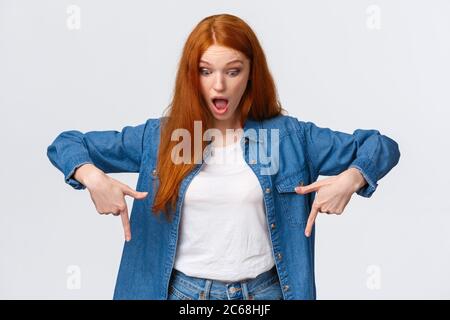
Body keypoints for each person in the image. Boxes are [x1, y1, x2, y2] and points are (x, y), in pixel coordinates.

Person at [46, 13, 400, 300]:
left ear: (250, 73)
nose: (219, 85)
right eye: (206, 71)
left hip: (266, 294)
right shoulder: (160, 137)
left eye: (233, 71)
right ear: (192, 76)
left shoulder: (288, 137)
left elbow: (381, 146)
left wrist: (352, 180)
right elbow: (67, 143)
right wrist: (91, 177)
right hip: (182, 294)